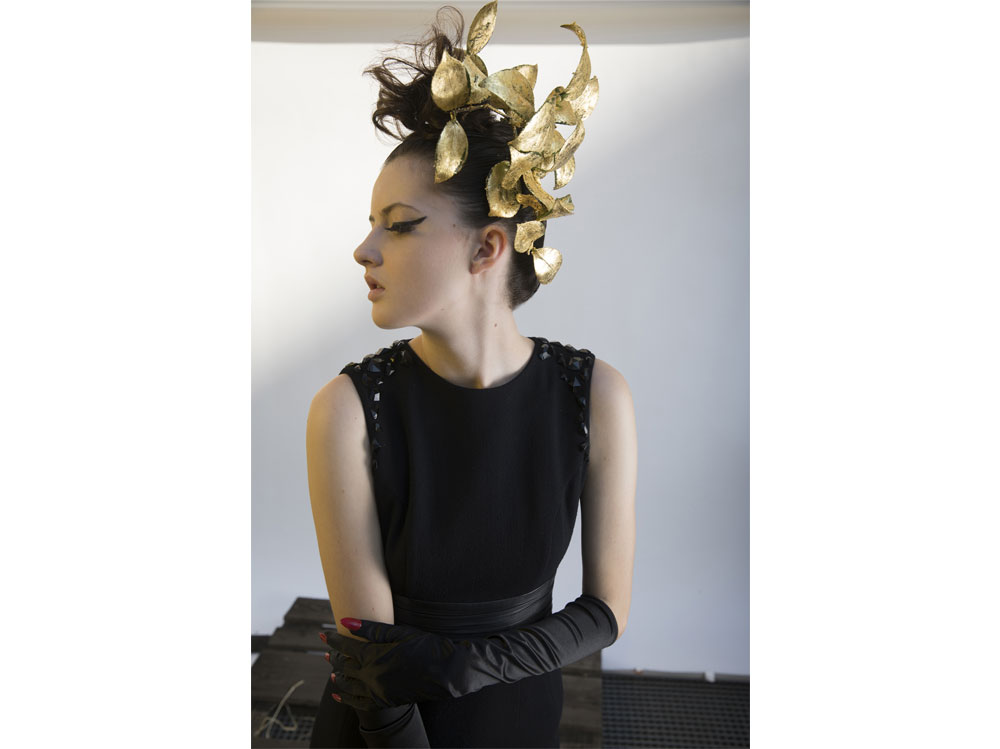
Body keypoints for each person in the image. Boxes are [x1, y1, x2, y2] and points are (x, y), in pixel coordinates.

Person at [305, 2, 636, 746]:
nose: (364, 249)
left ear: (487, 248)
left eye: (398, 223)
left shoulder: (596, 396)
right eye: (371, 223)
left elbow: (606, 610)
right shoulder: (347, 409)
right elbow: (371, 670)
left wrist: (466, 666)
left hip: (522, 720)